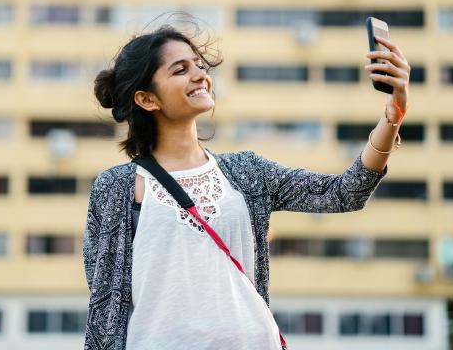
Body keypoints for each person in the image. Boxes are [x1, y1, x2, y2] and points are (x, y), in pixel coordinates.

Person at [83, 19, 410, 350]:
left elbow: (345, 193)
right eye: (180, 70)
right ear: (147, 99)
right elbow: (104, 307)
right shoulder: (118, 188)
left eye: (199, 65)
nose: (200, 75)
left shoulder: (247, 171)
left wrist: (393, 114)